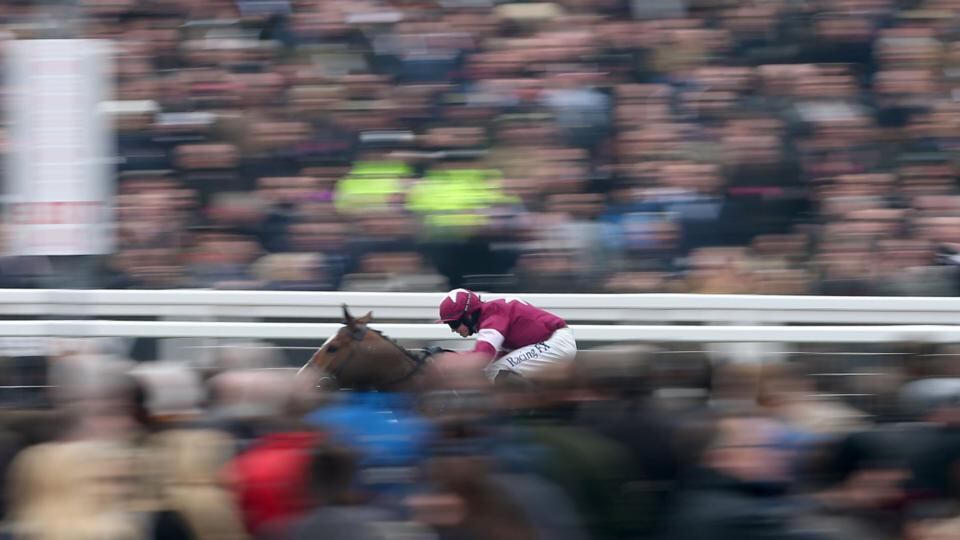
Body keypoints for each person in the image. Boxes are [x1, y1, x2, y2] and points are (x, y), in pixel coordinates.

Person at [434, 288, 577, 383]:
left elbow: (481, 358)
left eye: (454, 324)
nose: (453, 330)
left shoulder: (492, 317)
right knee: (491, 370)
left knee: (497, 371)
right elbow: (490, 356)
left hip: (556, 342)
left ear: (469, 316)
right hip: (550, 341)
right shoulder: (490, 313)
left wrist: (449, 362)